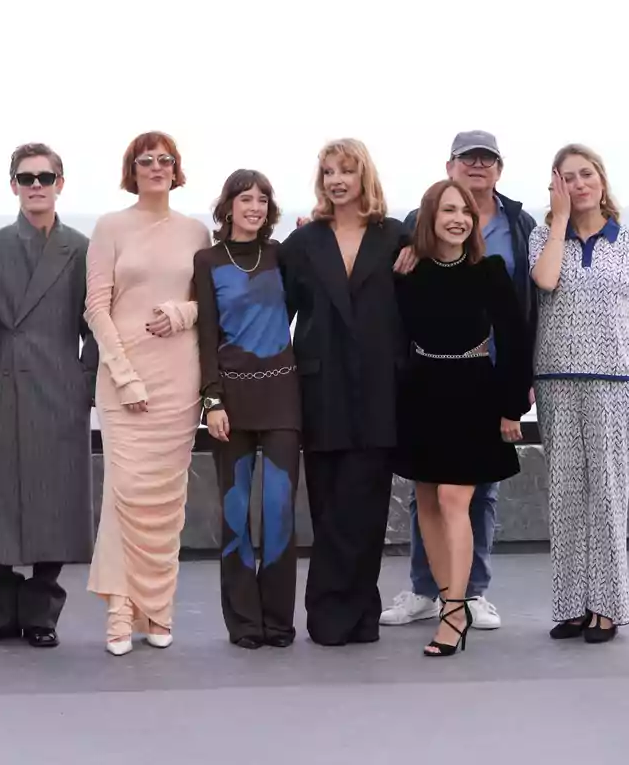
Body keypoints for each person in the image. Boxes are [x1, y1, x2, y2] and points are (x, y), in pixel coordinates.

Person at [381, 130, 539, 632]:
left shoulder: (515, 229)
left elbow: (523, 320)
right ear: (450, 167)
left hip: (478, 384)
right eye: (468, 160)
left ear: (498, 168)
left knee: (466, 497)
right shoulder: (411, 250)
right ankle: (430, 592)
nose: (477, 167)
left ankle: (466, 598)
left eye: (486, 160)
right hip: (424, 388)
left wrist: (514, 399)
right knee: (426, 496)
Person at [0, 143, 97, 649]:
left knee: (54, 502)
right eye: (26, 177)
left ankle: (42, 613)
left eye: (45, 176)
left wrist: (84, 382)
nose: (35, 185)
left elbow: (97, 324)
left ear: (61, 183)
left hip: (59, 389)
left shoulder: (83, 249)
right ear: (12, 184)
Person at [84, 131, 211, 655]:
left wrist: (183, 313)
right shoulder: (110, 227)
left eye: (165, 160)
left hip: (179, 373)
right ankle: (119, 612)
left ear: (177, 169)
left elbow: (211, 301)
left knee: (166, 500)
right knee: (124, 495)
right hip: (123, 377)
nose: (156, 167)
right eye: (146, 160)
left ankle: (157, 610)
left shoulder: (197, 231)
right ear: (131, 169)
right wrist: (125, 374)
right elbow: (96, 305)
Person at [279, 138, 408, 647]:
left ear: (363, 178)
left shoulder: (396, 238)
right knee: (330, 504)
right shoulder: (304, 242)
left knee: (368, 505)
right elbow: (275, 314)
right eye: (328, 172)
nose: (336, 180)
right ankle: (329, 614)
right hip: (320, 388)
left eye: (346, 172)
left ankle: (361, 613)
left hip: (380, 389)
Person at [530, 143, 629, 644]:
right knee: (564, 495)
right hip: (556, 381)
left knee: (607, 496)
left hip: (615, 384)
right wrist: (560, 222)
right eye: (568, 177)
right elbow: (545, 282)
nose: (579, 183)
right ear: (555, 186)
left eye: (586, 174)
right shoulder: (543, 238)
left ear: (601, 180)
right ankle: (571, 606)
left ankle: (607, 607)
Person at [193, 169, 301, 649]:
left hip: (282, 397)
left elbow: (303, 304)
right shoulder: (207, 260)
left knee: (278, 512)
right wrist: (211, 399)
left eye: (262, 199)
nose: (254, 207)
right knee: (237, 515)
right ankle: (243, 622)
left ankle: (278, 621)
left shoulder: (283, 256)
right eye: (245, 198)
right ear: (228, 206)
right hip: (230, 403)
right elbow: (206, 335)